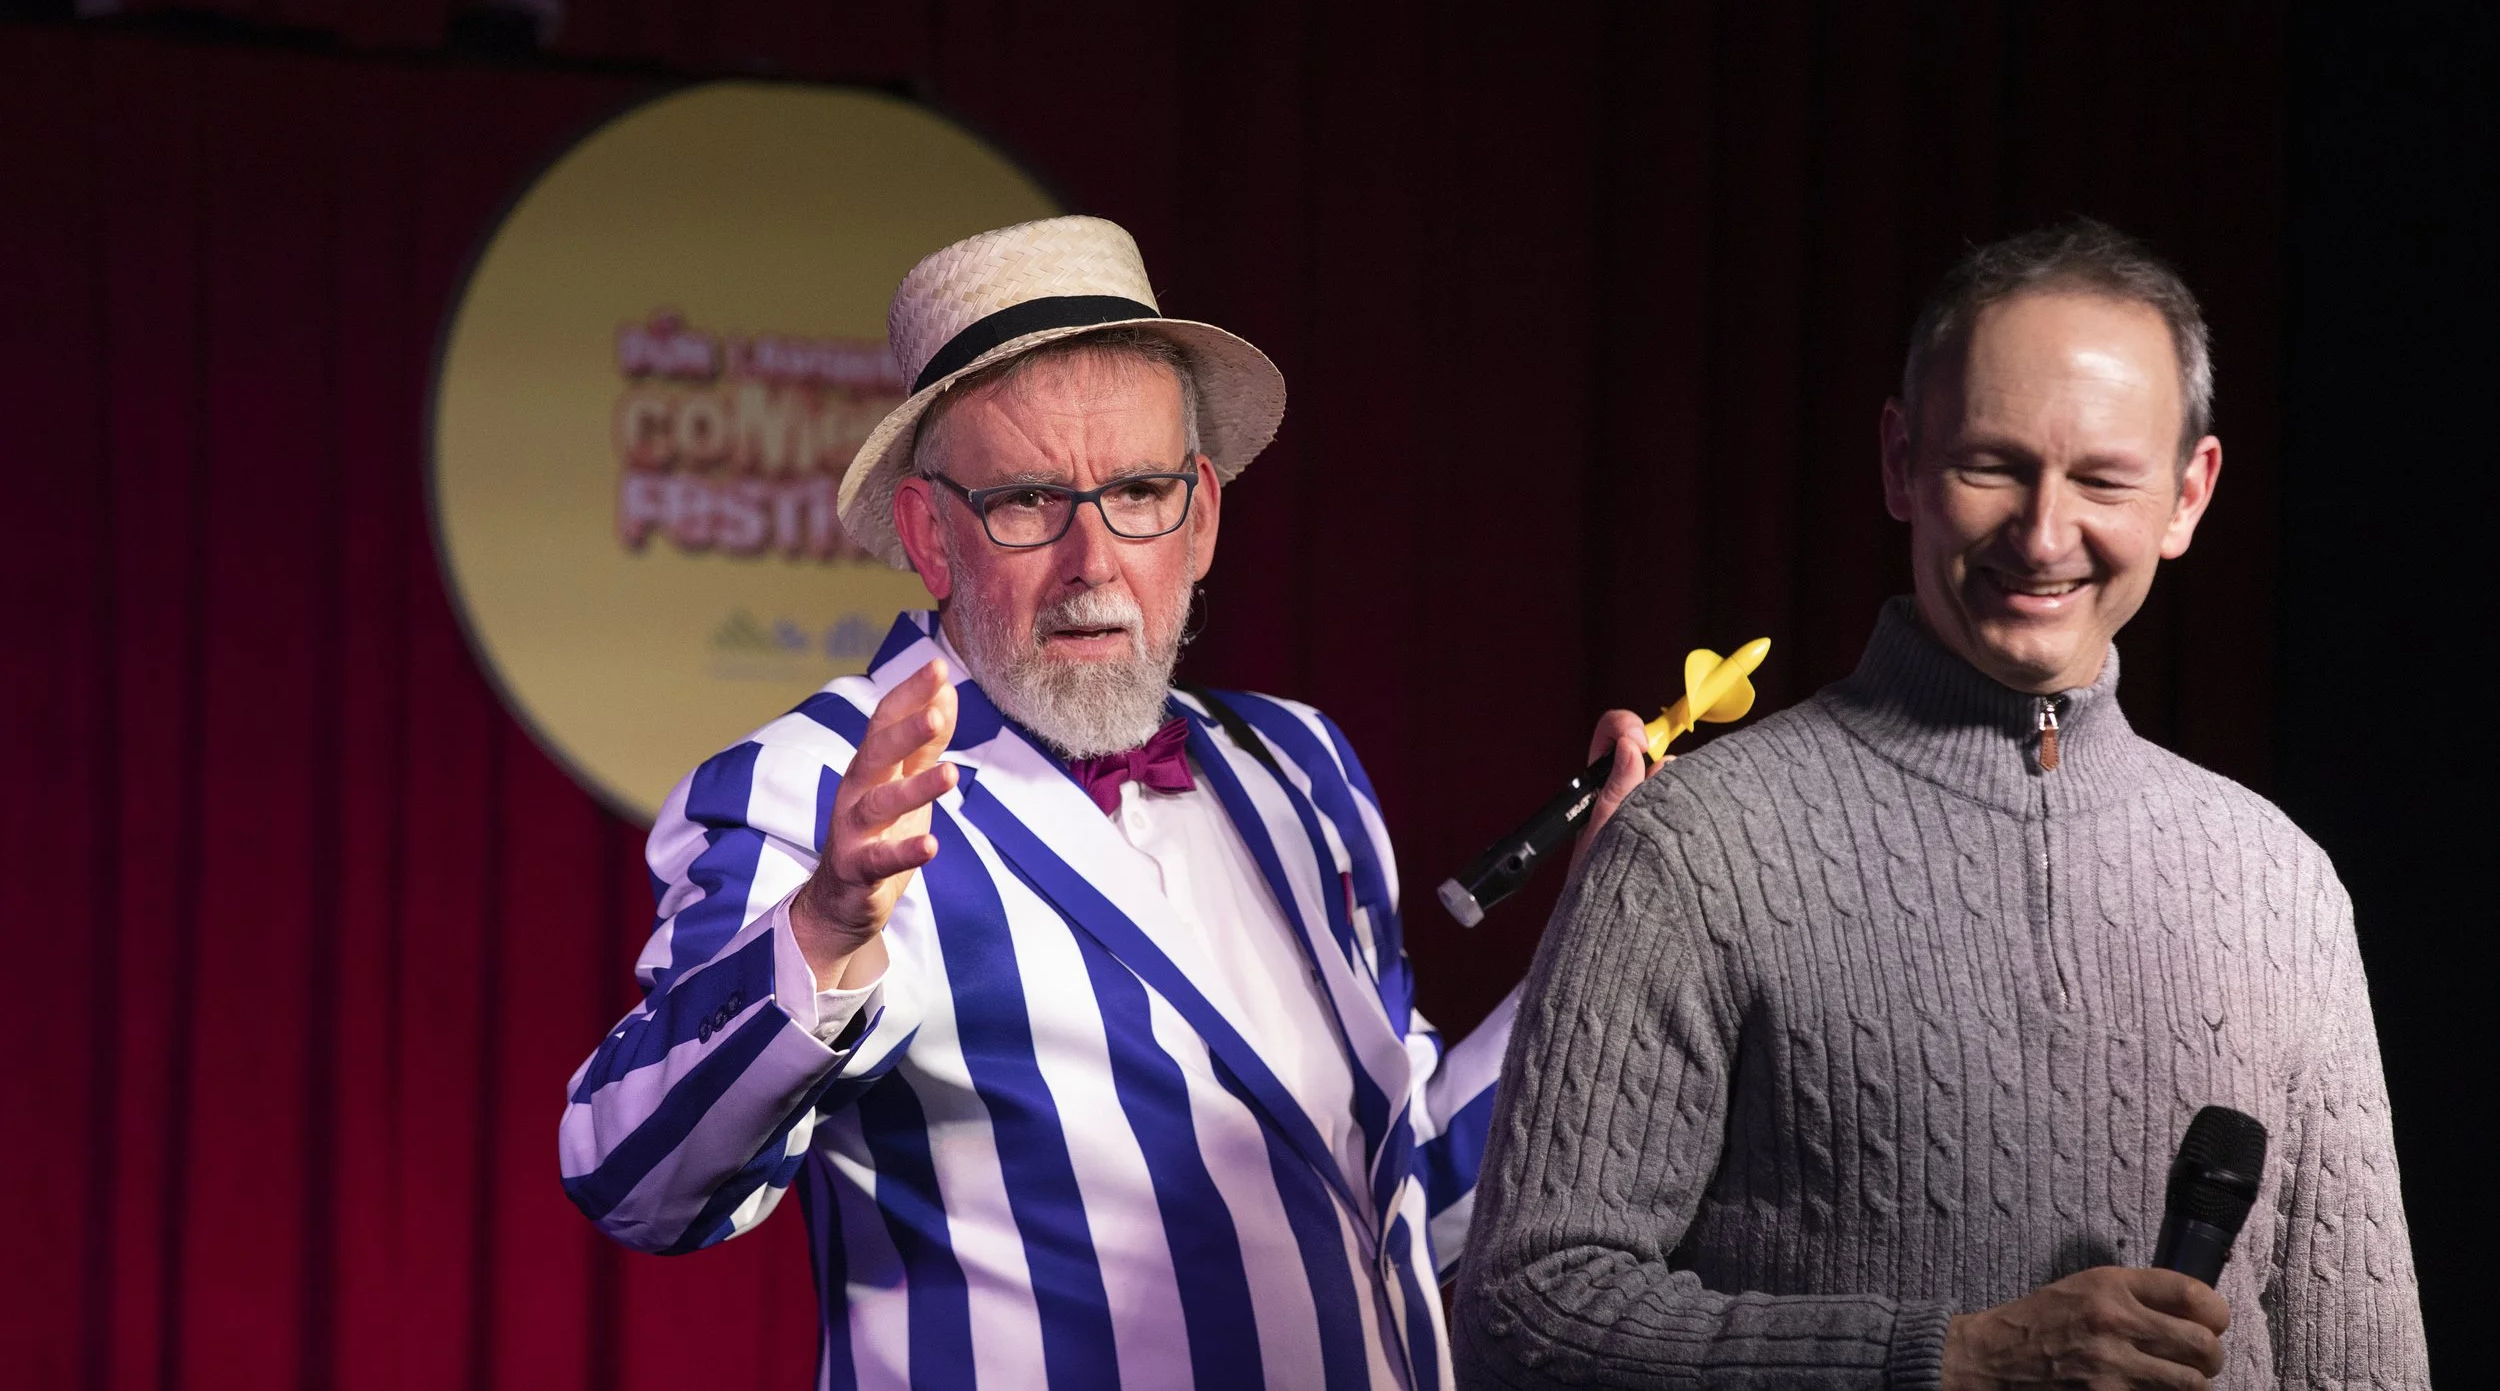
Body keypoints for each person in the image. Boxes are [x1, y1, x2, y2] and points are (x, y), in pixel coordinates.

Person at [561, 216, 1651, 1391]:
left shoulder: (1302, 766)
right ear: (931, 537)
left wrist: (1612, 946)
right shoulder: (813, 783)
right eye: (1029, 501)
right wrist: (826, 925)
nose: (1092, 559)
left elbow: (1408, 1187)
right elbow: (635, 1177)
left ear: (1202, 519)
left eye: (1137, 490)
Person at [1453, 220, 2429, 1391]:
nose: (2044, 531)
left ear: (2186, 494)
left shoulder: (2281, 882)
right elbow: (1525, 1316)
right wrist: (1948, 1357)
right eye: (1992, 465)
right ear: (1899, 460)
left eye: (2103, 478)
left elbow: (2364, 1369)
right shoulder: (1696, 846)